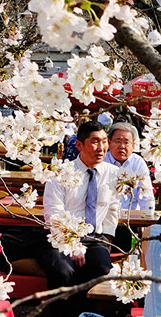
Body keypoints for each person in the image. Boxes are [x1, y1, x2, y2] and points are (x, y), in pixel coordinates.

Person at [38, 121, 119, 290]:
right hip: (60, 239)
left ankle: (91, 315)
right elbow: (54, 212)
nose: (101, 147)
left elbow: (112, 207)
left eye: (104, 141)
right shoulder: (61, 172)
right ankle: (61, 316)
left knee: (104, 270)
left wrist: (108, 237)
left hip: (95, 238)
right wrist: (72, 244)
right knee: (63, 271)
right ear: (79, 145)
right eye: (95, 141)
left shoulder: (112, 173)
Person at [104, 121, 154, 214]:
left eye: (126, 142)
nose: (122, 146)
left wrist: (145, 220)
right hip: (105, 217)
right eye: (118, 141)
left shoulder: (138, 162)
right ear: (109, 143)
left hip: (132, 218)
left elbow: (146, 195)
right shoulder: (102, 161)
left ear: (133, 145)